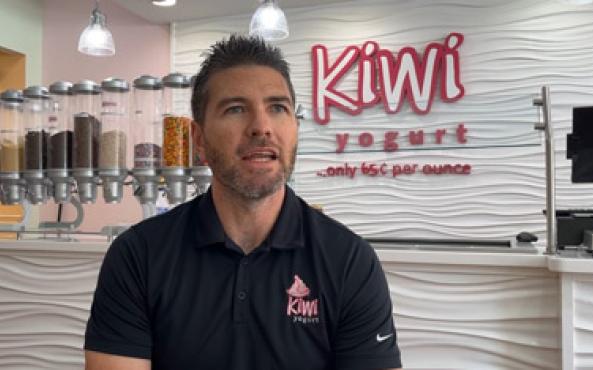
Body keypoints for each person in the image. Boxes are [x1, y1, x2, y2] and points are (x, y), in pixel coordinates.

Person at [84, 35, 402, 370]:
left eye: (278, 108)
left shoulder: (350, 261)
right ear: (199, 140)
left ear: (296, 128)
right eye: (236, 109)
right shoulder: (138, 256)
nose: (261, 127)